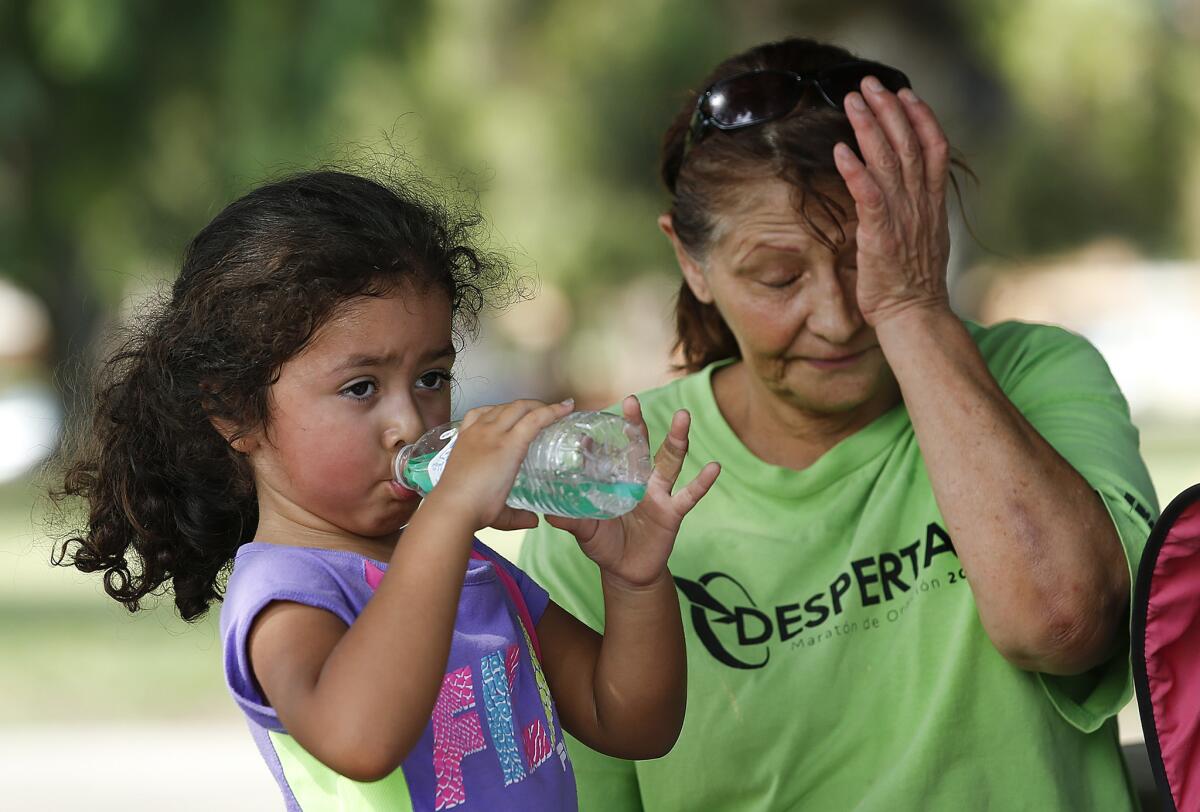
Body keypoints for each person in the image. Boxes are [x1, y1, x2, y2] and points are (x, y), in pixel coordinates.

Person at [519, 37, 1159, 810]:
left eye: (869, 259)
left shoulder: (1037, 376)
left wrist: (913, 307)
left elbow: (1064, 624)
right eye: (778, 276)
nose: (836, 318)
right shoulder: (611, 475)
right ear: (691, 264)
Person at [50, 169, 721, 810]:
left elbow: (632, 723)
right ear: (237, 414)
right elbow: (360, 739)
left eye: (431, 378)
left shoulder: (473, 568)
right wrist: (451, 515)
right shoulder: (286, 596)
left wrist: (635, 582)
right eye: (361, 387)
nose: (409, 422)